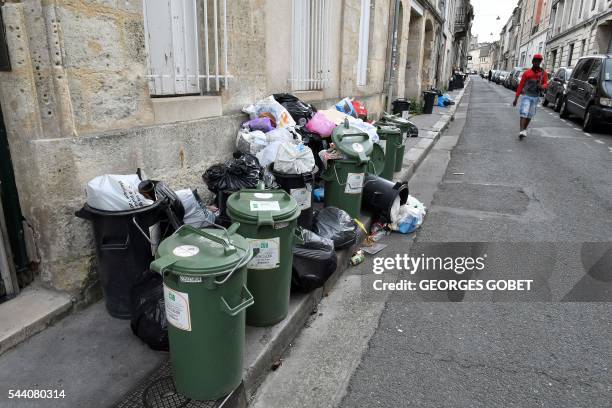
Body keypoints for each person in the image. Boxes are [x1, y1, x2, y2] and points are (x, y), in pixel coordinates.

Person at [513, 54, 548, 139]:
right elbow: (521, 85)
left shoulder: (543, 73)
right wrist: (516, 98)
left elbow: (546, 83)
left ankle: (524, 129)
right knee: (524, 113)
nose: (537, 62)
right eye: (535, 60)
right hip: (526, 96)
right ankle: (521, 131)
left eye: (539, 61)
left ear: (540, 62)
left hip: (535, 97)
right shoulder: (527, 73)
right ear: (532, 61)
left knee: (530, 115)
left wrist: (542, 86)